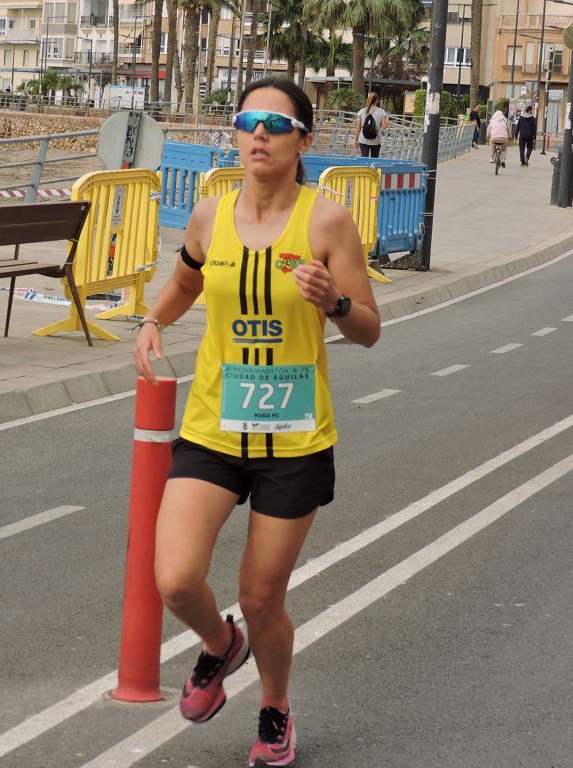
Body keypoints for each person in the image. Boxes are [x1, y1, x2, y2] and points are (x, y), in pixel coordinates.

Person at [133, 77, 380, 767]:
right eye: (248, 121)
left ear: (305, 139)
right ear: (235, 136)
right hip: (215, 426)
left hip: (295, 438)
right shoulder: (210, 215)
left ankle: (274, 707)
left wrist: (333, 302)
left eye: (276, 123)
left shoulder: (328, 222)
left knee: (261, 596)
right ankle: (219, 644)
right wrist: (154, 320)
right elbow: (186, 281)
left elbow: (369, 331)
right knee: (176, 580)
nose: (260, 134)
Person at [354, 91, 388, 158]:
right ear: (376, 100)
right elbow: (384, 127)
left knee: (364, 159)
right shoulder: (381, 112)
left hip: (363, 139)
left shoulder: (362, 111)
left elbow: (358, 128)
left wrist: (355, 140)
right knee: (374, 159)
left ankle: (364, 168)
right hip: (376, 140)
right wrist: (387, 120)